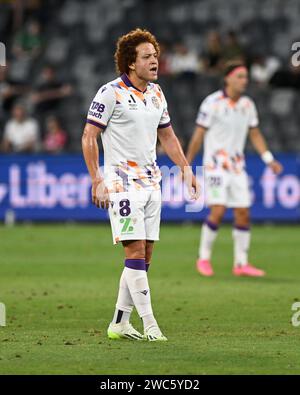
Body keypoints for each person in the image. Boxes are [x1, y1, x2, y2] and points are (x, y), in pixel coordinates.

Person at [82, 28, 199, 341]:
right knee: (133, 250)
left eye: (155, 56)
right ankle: (151, 325)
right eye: (147, 56)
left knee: (144, 256)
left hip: (152, 181)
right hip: (121, 181)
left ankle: (120, 323)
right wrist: (97, 179)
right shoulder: (110, 92)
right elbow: (89, 136)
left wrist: (185, 169)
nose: (154, 61)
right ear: (130, 63)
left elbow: (168, 136)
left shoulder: (157, 93)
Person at [186, 62, 283, 277]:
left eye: (246, 76)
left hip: (238, 168)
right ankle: (203, 258)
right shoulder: (212, 103)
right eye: (239, 76)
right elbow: (198, 135)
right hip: (215, 167)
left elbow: (255, 134)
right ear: (227, 79)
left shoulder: (247, 105)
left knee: (243, 213)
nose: (244, 80)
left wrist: (269, 159)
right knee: (218, 210)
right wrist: (187, 164)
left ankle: (241, 264)